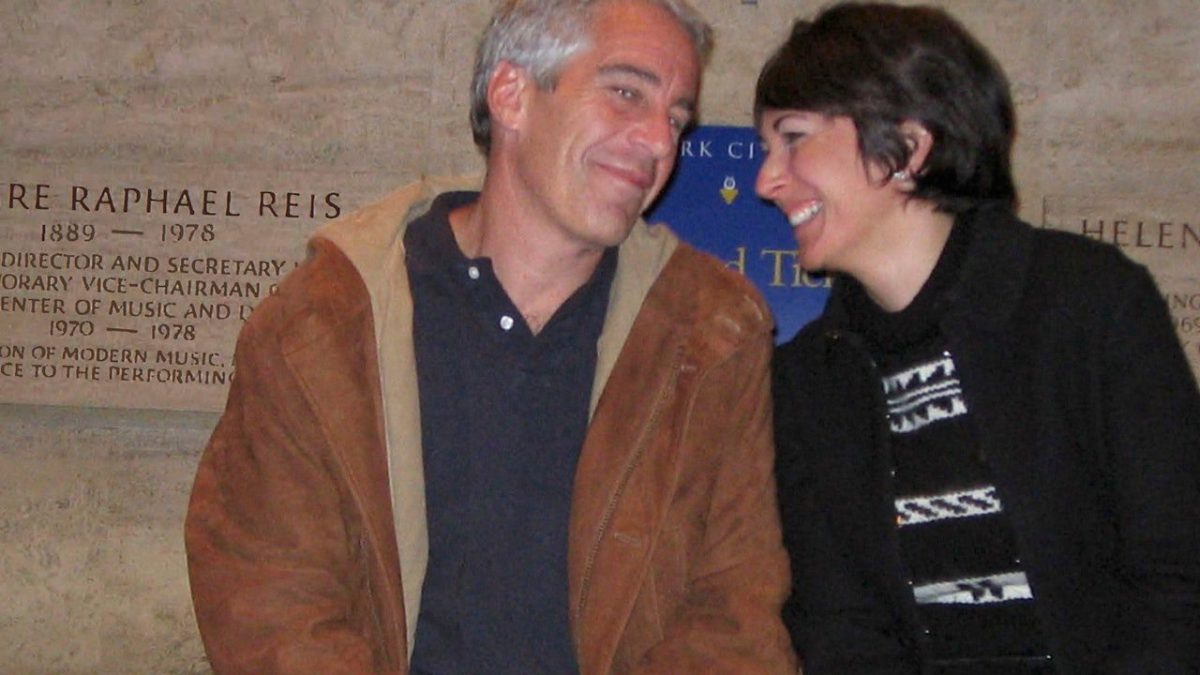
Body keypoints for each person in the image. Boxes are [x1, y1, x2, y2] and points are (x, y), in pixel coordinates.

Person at [185, 0, 796, 673]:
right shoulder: (323, 325)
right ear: (510, 93)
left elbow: (735, 615)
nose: (659, 142)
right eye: (626, 93)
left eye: (676, 118)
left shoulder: (711, 335)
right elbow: (269, 602)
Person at [755, 3, 1200, 674]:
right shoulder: (808, 379)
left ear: (908, 147)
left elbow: (1177, 578)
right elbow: (842, 630)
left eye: (793, 138)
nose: (766, 181)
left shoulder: (1087, 303)